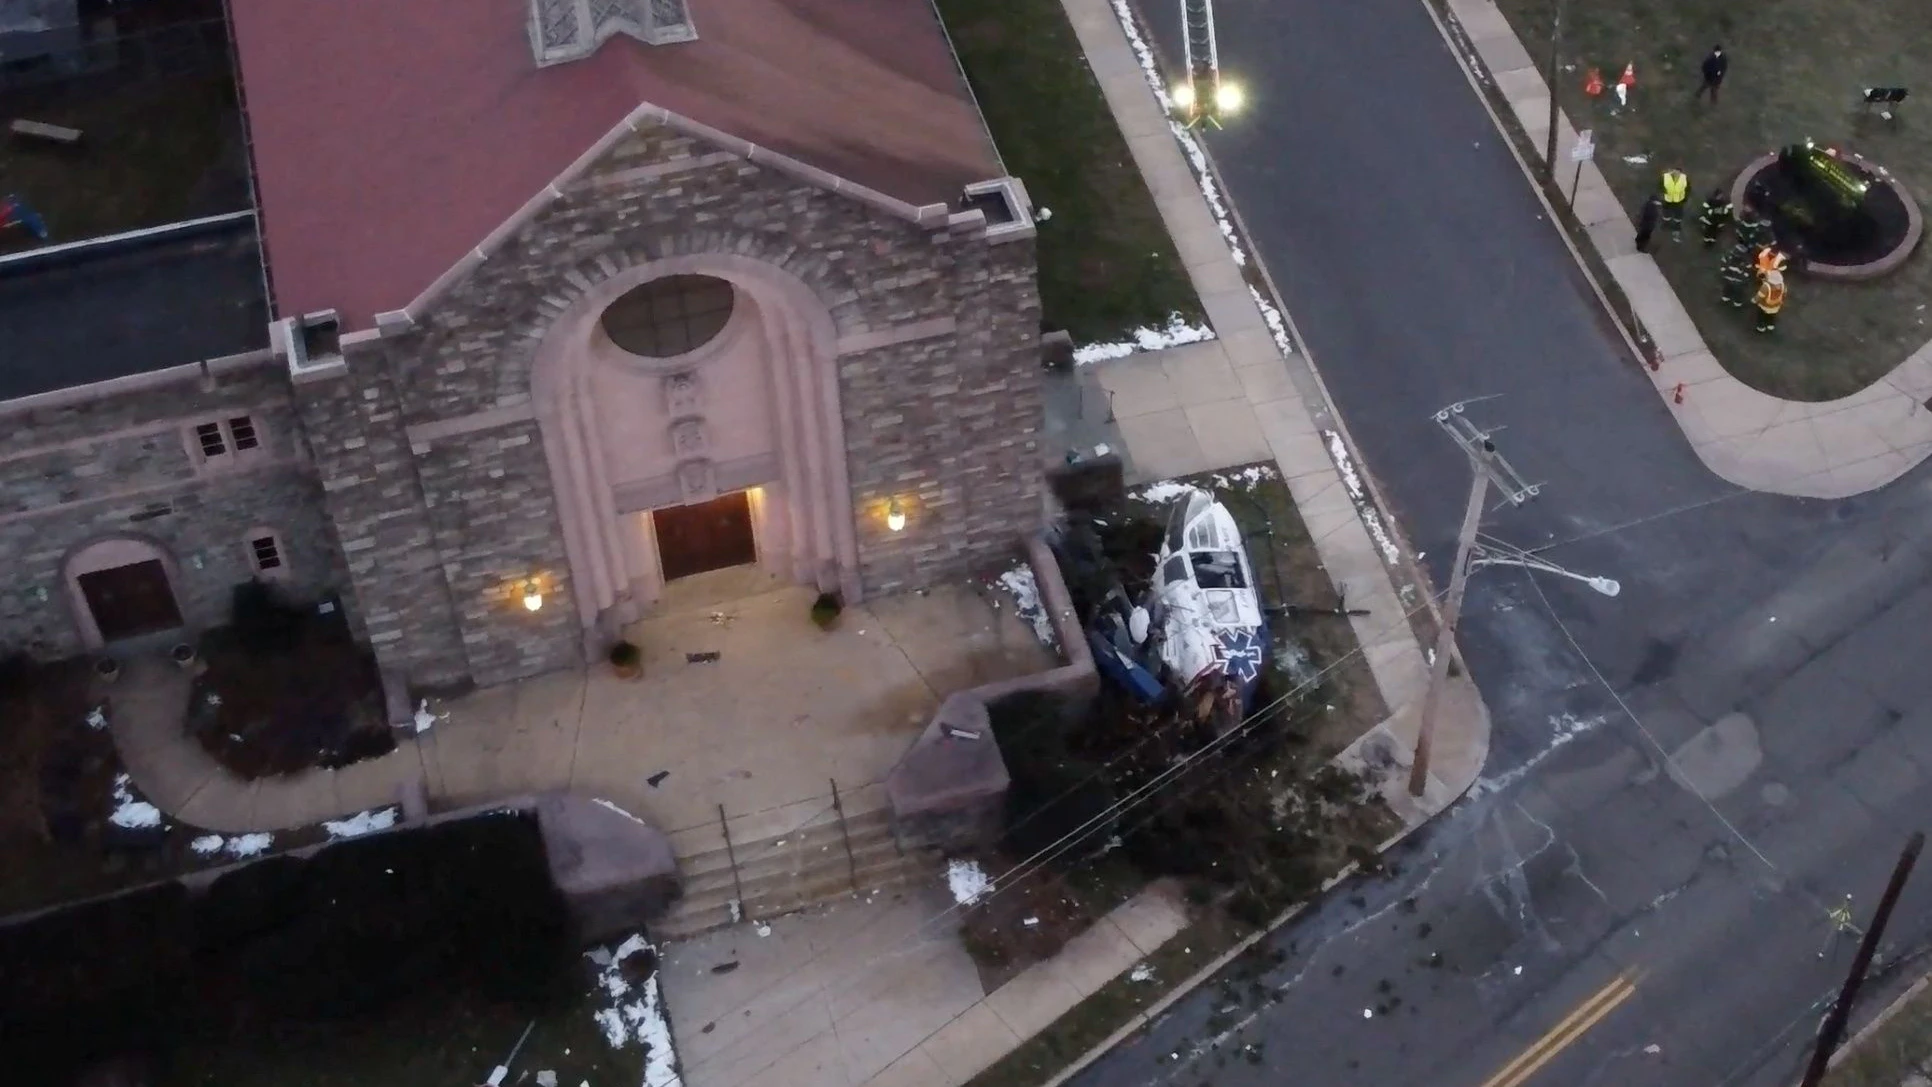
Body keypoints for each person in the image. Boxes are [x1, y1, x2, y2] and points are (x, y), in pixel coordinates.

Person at [1721, 243, 1755, 307]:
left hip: (1728, 278)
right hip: (1739, 280)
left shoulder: (1728, 255)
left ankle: (1726, 296)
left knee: (1728, 287)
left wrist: (1725, 272)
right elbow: (1747, 272)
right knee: (1739, 291)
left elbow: (1722, 266)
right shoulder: (1747, 260)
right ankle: (1737, 302)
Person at [1660, 168, 1691, 240]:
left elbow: (1688, 188)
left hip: (1679, 200)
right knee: (1666, 214)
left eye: (1678, 172)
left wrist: (1685, 198)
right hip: (1668, 200)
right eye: (1675, 171)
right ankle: (1666, 224)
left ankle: (1677, 225)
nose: (1676, 173)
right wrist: (1664, 191)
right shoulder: (1665, 177)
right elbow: (1660, 185)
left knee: (1678, 214)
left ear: (1680, 172)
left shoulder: (1684, 178)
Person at [1754, 269, 1787, 333]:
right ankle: (1770, 325)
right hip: (1776, 306)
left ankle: (1761, 327)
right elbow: (1784, 295)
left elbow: (1759, 296)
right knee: (1771, 316)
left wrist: (1755, 300)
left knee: (1761, 315)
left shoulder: (1765, 287)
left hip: (1764, 306)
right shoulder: (1783, 286)